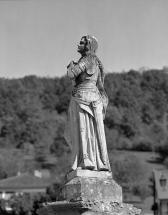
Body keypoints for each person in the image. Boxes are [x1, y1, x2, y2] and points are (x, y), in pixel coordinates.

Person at [64, 35, 111, 172]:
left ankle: (86, 160)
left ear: (89, 46)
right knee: (90, 131)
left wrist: (70, 66)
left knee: (83, 129)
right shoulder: (96, 62)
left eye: (82, 42)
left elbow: (71, 74)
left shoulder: (86, 60)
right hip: (93, 98)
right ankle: (93, 161)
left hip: (83, 97)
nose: (79, 44)